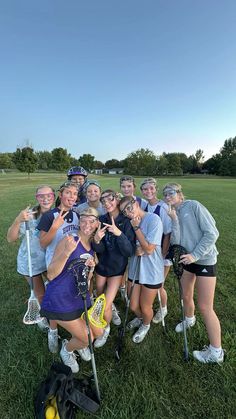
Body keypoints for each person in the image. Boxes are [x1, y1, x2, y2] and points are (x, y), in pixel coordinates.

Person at [164, 182, 224, 363]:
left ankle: (216, 352)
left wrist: (195, 255)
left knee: (205, 307)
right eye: (165, 194)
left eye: (171, 193)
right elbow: (178, 241)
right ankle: (189, 319)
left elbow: (212, 233)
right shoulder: (172, 212)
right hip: (186, 259)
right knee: (185, 295)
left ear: (180, 194)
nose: (168, 196)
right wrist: (174, 220)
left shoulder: (194, 206)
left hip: (204, 259)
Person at [40, 207, 104, 373]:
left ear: (97, 224)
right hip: (59, 298)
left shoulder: (91, 247)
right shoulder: (69, 240)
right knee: (86, 338)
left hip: (79, 296)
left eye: (91, 221)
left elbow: (87, 279)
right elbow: (52, 274)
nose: (87, 224)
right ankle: (67, 349)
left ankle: (78, 342)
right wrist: (67, 252)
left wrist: (90, 270)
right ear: (79, 222)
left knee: (98, 332)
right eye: (83, 220)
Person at [7, 185, 55, 330]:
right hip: (30, 261)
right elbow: (10, 238)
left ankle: (54, 314)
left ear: (53, 196)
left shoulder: (57, 214)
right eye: (41, 195)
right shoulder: (29, 215)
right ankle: (43, 319)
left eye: (49, 195)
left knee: (54, 289)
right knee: (40, 295)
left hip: (49, 260)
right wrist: (18, 220)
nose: (45, 198)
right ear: (36, 198)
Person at [91, 189, 136, 348]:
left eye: (110, 200)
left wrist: (119, 233)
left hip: (117, 269)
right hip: (102, 266)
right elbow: (100, 249)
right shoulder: (102, 219)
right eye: (103, 202)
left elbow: (129, 251)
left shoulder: (126, 221)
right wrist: (96, 240)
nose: (107, 204)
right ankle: (110, 312)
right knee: (100, 295)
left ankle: (105, 328)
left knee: (105, 303)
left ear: (116, 199)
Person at [119, 196, 164, 343]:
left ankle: (146, 324)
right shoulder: (128, 222)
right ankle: (140, 319)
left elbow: (150, 249)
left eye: (129, 208)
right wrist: (136, 249)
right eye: (124, 212)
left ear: (136, 204)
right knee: (132, 305)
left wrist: (137, 228)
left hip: (151, 270)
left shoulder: (153, 219)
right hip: (135, 268)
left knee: (145, 306)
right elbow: (129, 246)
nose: (128, 213)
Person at [140, 178, 172, 324]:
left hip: (161, 253)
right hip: (150, 251)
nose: (149, 191)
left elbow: (167, 233)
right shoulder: (145, 206)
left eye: (151, 188)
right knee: (153, 282)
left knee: (159, 284)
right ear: (141, 191)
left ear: (156, 189)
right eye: (145, 189)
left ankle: (163, 308)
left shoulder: (163, 207)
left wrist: (163, 254)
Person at [37, 181, 80, 268]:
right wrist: (54, 227)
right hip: (55, 262)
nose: (72, 196)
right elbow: (43, 244)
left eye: (75, 194)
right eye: (68, 193)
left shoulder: (76, 215)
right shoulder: (49, 216)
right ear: (60, 195)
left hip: (73, 260)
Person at [119, 175, 147, 299]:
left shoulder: (142, 202)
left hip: (140, 240)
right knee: (125, 266)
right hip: (127, 239)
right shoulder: (120, 202)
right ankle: (123, 288)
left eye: (129, 186)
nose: (126, 189)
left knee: (137, 268)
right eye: (123, 186)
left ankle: (139, 290)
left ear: (134, 187)